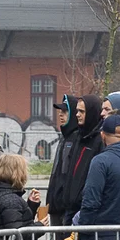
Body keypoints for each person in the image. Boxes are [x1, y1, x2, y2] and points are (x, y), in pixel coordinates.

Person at [45, 95, 104, 225]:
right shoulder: (77, 138)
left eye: (82, 111)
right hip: (67, 207)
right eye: (77, 111)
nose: (78, 115)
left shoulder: (98, 141)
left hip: (82, 209)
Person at [46, 94, 81, 226]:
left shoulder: (76, 139)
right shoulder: (65, 138)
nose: (61, 114)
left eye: (65, 111)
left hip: (65, 208)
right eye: (60, 111)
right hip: (56, 207)